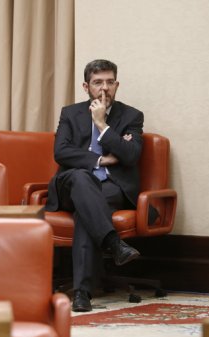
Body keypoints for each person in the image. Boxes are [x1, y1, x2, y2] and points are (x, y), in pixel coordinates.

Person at [45, 59, 143, 312]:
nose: (104, 88)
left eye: (110, 82)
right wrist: (99, 159)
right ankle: (114, 243)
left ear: (117, 85)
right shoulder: (70, 113)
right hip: (71, 183)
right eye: (98, 82)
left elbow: (131, 155)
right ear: (86, 86)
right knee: (81, 179)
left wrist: (102, 124)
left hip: (110, 186)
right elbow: (61, 152)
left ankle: (81, 293)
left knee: (85, 212)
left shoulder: (131, 116)